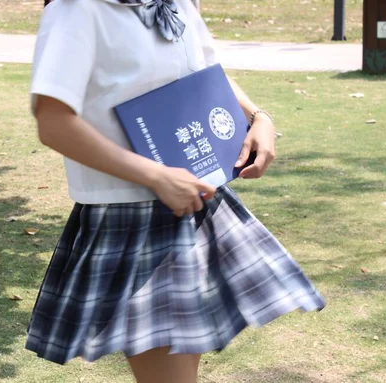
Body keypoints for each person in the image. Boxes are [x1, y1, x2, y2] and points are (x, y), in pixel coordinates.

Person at [26, 0, 326, 382]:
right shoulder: (77, 10)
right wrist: (156, 176)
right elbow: (53, 122)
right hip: (130, 219)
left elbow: (207, 72)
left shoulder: (178, 2)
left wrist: (259, 118)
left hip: (198, 203)